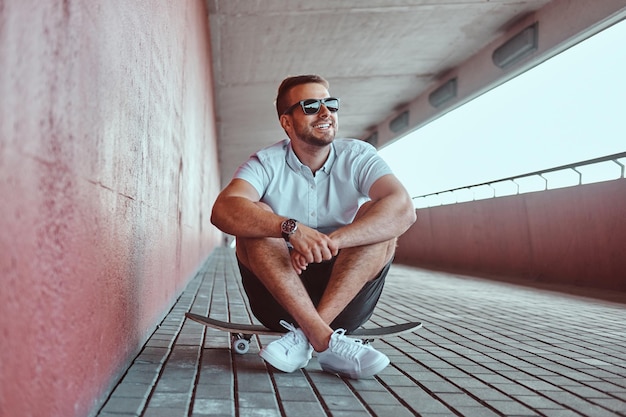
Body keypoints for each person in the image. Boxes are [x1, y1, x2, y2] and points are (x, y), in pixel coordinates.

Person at [210, 74, 417, 379]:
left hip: (347, 298)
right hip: (280, 303)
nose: (325, 113)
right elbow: (223, 209)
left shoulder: (358, 156)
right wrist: (291, 228)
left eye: (330, 104)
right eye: (310, 106)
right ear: (287, 122)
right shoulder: (266, 162)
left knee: (378, 217)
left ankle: (306, 338)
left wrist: (328, 242)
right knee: (255, 216)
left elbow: (403, 209)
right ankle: (326, 341)